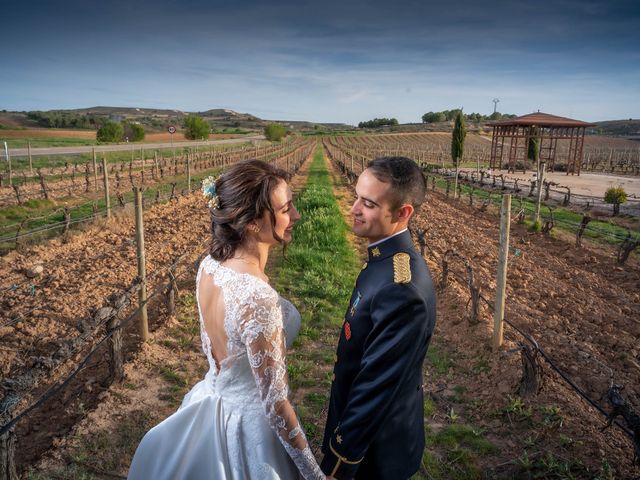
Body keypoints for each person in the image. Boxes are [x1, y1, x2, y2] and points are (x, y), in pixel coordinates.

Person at [128, 160, 329, 479]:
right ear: (251, 222)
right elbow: (277, 406)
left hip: (211, 399)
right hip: (249, 429)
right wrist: (315, 476)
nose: (296, 216)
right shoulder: (256, 296)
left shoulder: (210, 266)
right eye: (286, 208)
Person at [320, 157, 436, 480]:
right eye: (357, 195)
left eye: (368, 203)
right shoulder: (383, 258)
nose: (354, 208)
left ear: (403, 213)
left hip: (374, 455)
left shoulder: (402, 289)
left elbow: (374, 389)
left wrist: (338, 463)